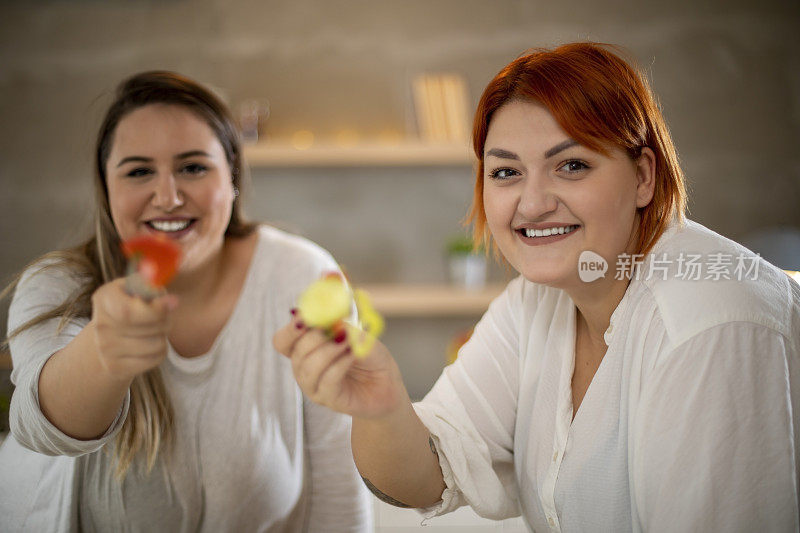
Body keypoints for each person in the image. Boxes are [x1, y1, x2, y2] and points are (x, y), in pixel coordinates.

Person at [274, 42, 800, 531]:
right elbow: (431, 472)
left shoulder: (711, 320)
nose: (531, 204)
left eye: (571, 165)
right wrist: (383, 409)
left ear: (643, 176)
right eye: (505, 173)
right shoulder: (541, 297)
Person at [0, 71, 371, 532]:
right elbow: (38, 428)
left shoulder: (304, 276)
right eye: (139, 171)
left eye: (193, 167)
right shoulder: (57, 285)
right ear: (107, 190)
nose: (169, 196)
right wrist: (103, 354)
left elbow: (339, 484)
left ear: (232, 177)